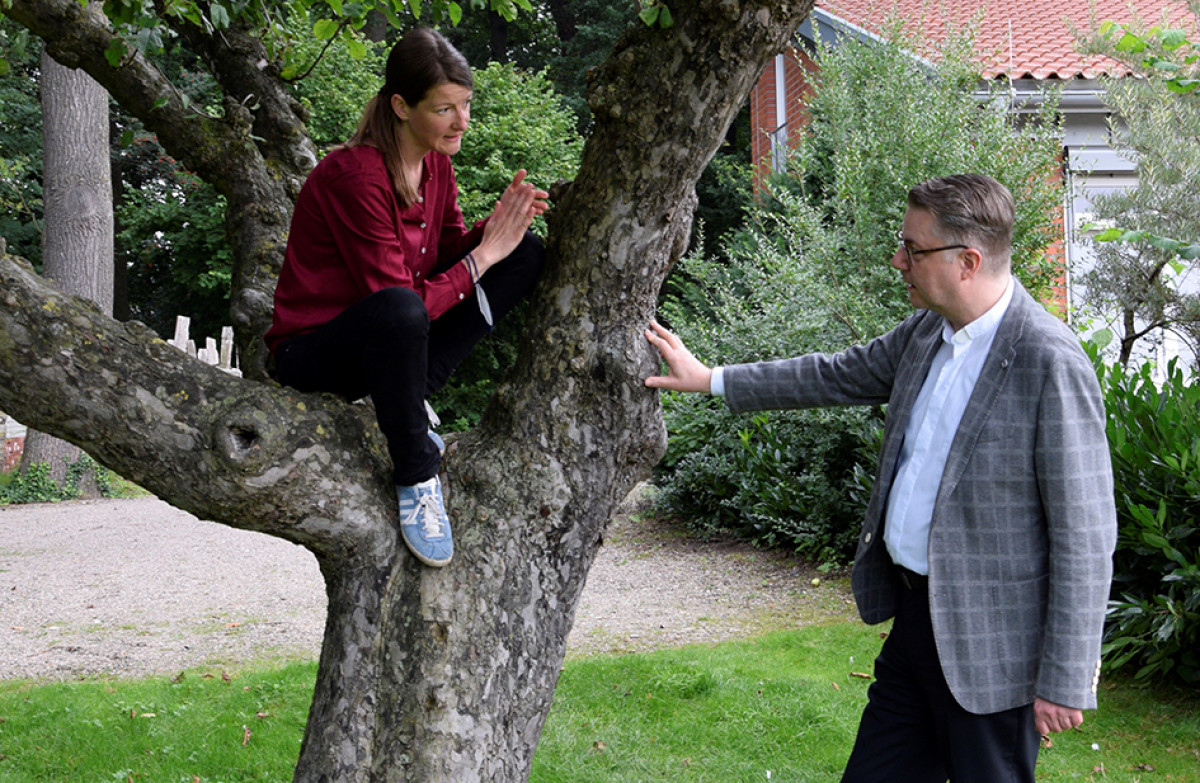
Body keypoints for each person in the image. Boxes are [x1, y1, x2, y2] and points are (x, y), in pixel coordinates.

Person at [645, 174, 1117, 782]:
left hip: (994, 650)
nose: (899, 261)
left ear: (967, 261)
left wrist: (1067, 675)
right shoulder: (927, 334)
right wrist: (712, 378)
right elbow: (833, 375)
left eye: (913, 250)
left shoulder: (1048, 360)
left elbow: (1085, 534)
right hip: (917, 622)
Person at [265, 27, 548, 568]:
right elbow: (399, 296)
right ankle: (417, 476)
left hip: (393, 341)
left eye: (465, 105)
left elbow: (444, 259)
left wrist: (501, 230)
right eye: (444, 109)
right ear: (401, 105)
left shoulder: (438, 166)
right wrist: (483, 255)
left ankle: (412, 388)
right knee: (402, 308)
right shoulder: (354, 176)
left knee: (526, 255)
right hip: (316, 355)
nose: (462, 122)